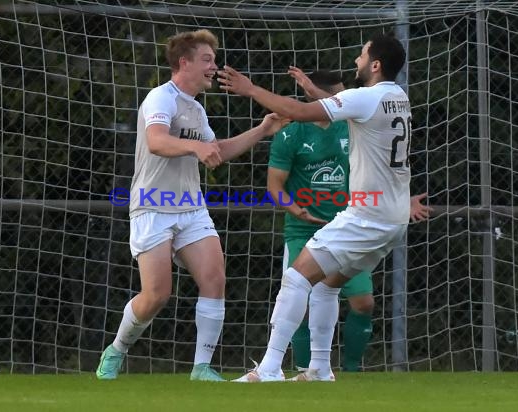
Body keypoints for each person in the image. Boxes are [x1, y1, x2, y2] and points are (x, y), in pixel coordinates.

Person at [218, 33, 416, 382]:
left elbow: (296, 111)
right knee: (326, 285)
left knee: (296, 278)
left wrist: (250, 89)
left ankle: (268, 369)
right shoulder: (397, 97)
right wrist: (318, 93)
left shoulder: (365, 97)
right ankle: (320, 369)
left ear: (375, 64)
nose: (356, 60)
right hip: (394, 218)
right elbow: (352, 110)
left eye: (361, 54)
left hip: (367, 217)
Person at [96, 29, 287, 381]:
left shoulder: (196, 109)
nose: (213, 67)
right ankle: (117, 349)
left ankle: (201, 368)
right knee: (156, 295)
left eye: (213, 60)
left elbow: (219, 151)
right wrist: (195, 148)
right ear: (184, 63)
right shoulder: (160, 98)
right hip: (152, 206)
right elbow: (156, 141)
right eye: (207, 60)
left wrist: (262, 129)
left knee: (214, 278)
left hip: (190, 208)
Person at [268, 69, 431, 377]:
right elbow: (274, 185)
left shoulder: (352, 123)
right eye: (337, 93)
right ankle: (308, 368)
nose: (342, 98)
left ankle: (340, 371)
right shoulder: (291, 133)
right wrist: (295, 208)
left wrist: (250, 88)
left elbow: (383, 167)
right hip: (305, 228)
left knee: (360, 301)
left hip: (354, 224)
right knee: (305, 292)